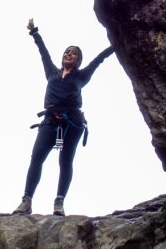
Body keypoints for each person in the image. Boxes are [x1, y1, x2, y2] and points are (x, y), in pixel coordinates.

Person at [12, 18, 114, 216]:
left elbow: (100, 58)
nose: (69, 54)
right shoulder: (52, 73)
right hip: (51, 121)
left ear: (78, 60)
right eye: (67, 51)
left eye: (74, 53)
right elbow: (43, 53)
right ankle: (26, 201)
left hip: (72, 123)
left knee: (65, 161)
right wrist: (35, 33)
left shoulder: (82, 76)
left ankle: (59, 203)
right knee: (37, 158)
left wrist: (118, 42)